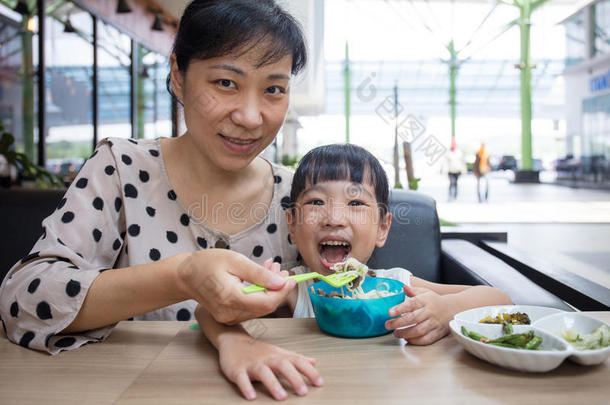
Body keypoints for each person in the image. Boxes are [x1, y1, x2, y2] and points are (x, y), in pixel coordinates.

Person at [0, 0, 310, 363]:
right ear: (178, 75)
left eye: (273, 89)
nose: (250, 116)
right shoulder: (120, 167)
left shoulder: (299, 195)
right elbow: (23, 300)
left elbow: (349, 290)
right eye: (225, 83)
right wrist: (182, 276)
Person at [195, 143, 512, 400]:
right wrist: (239, 344)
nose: (334, 217)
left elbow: (500, 299)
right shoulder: (293, 288)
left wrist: (446, 310)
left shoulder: (399, 285)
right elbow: (209, 308)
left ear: (382, 227)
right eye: (316, 201)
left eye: (356, 203)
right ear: (292, 224)